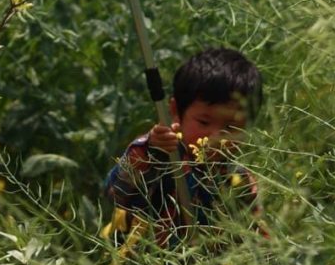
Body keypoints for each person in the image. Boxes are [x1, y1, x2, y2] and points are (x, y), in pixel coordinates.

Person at [105, 47, 263, 245]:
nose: (215, 136)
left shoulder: (239, 180)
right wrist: (151, 151)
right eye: (204, 122)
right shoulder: (161, 155)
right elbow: (116, 193)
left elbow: (253, 234)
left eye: (231, 127)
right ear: (175, 111)